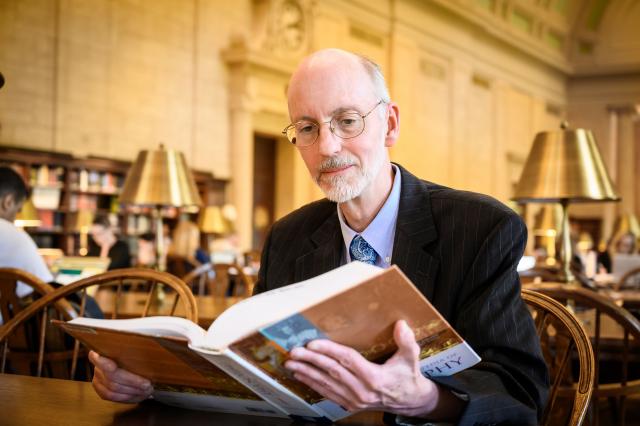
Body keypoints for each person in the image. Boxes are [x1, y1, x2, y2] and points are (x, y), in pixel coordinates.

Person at [89, 49, 548, 424]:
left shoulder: (481, 229)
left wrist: (424, 399)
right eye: (307, 128)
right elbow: (255, 375)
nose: (327, 148)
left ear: (389, 124)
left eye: (347, 121)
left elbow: (522, 395)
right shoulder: (288, 238)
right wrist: (155, 383)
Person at [0, 166, 54, 323]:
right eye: (18, 210)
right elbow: (47, 291)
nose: (15, 217)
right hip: (7, 336)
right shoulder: (13, 235)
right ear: (8, 202)